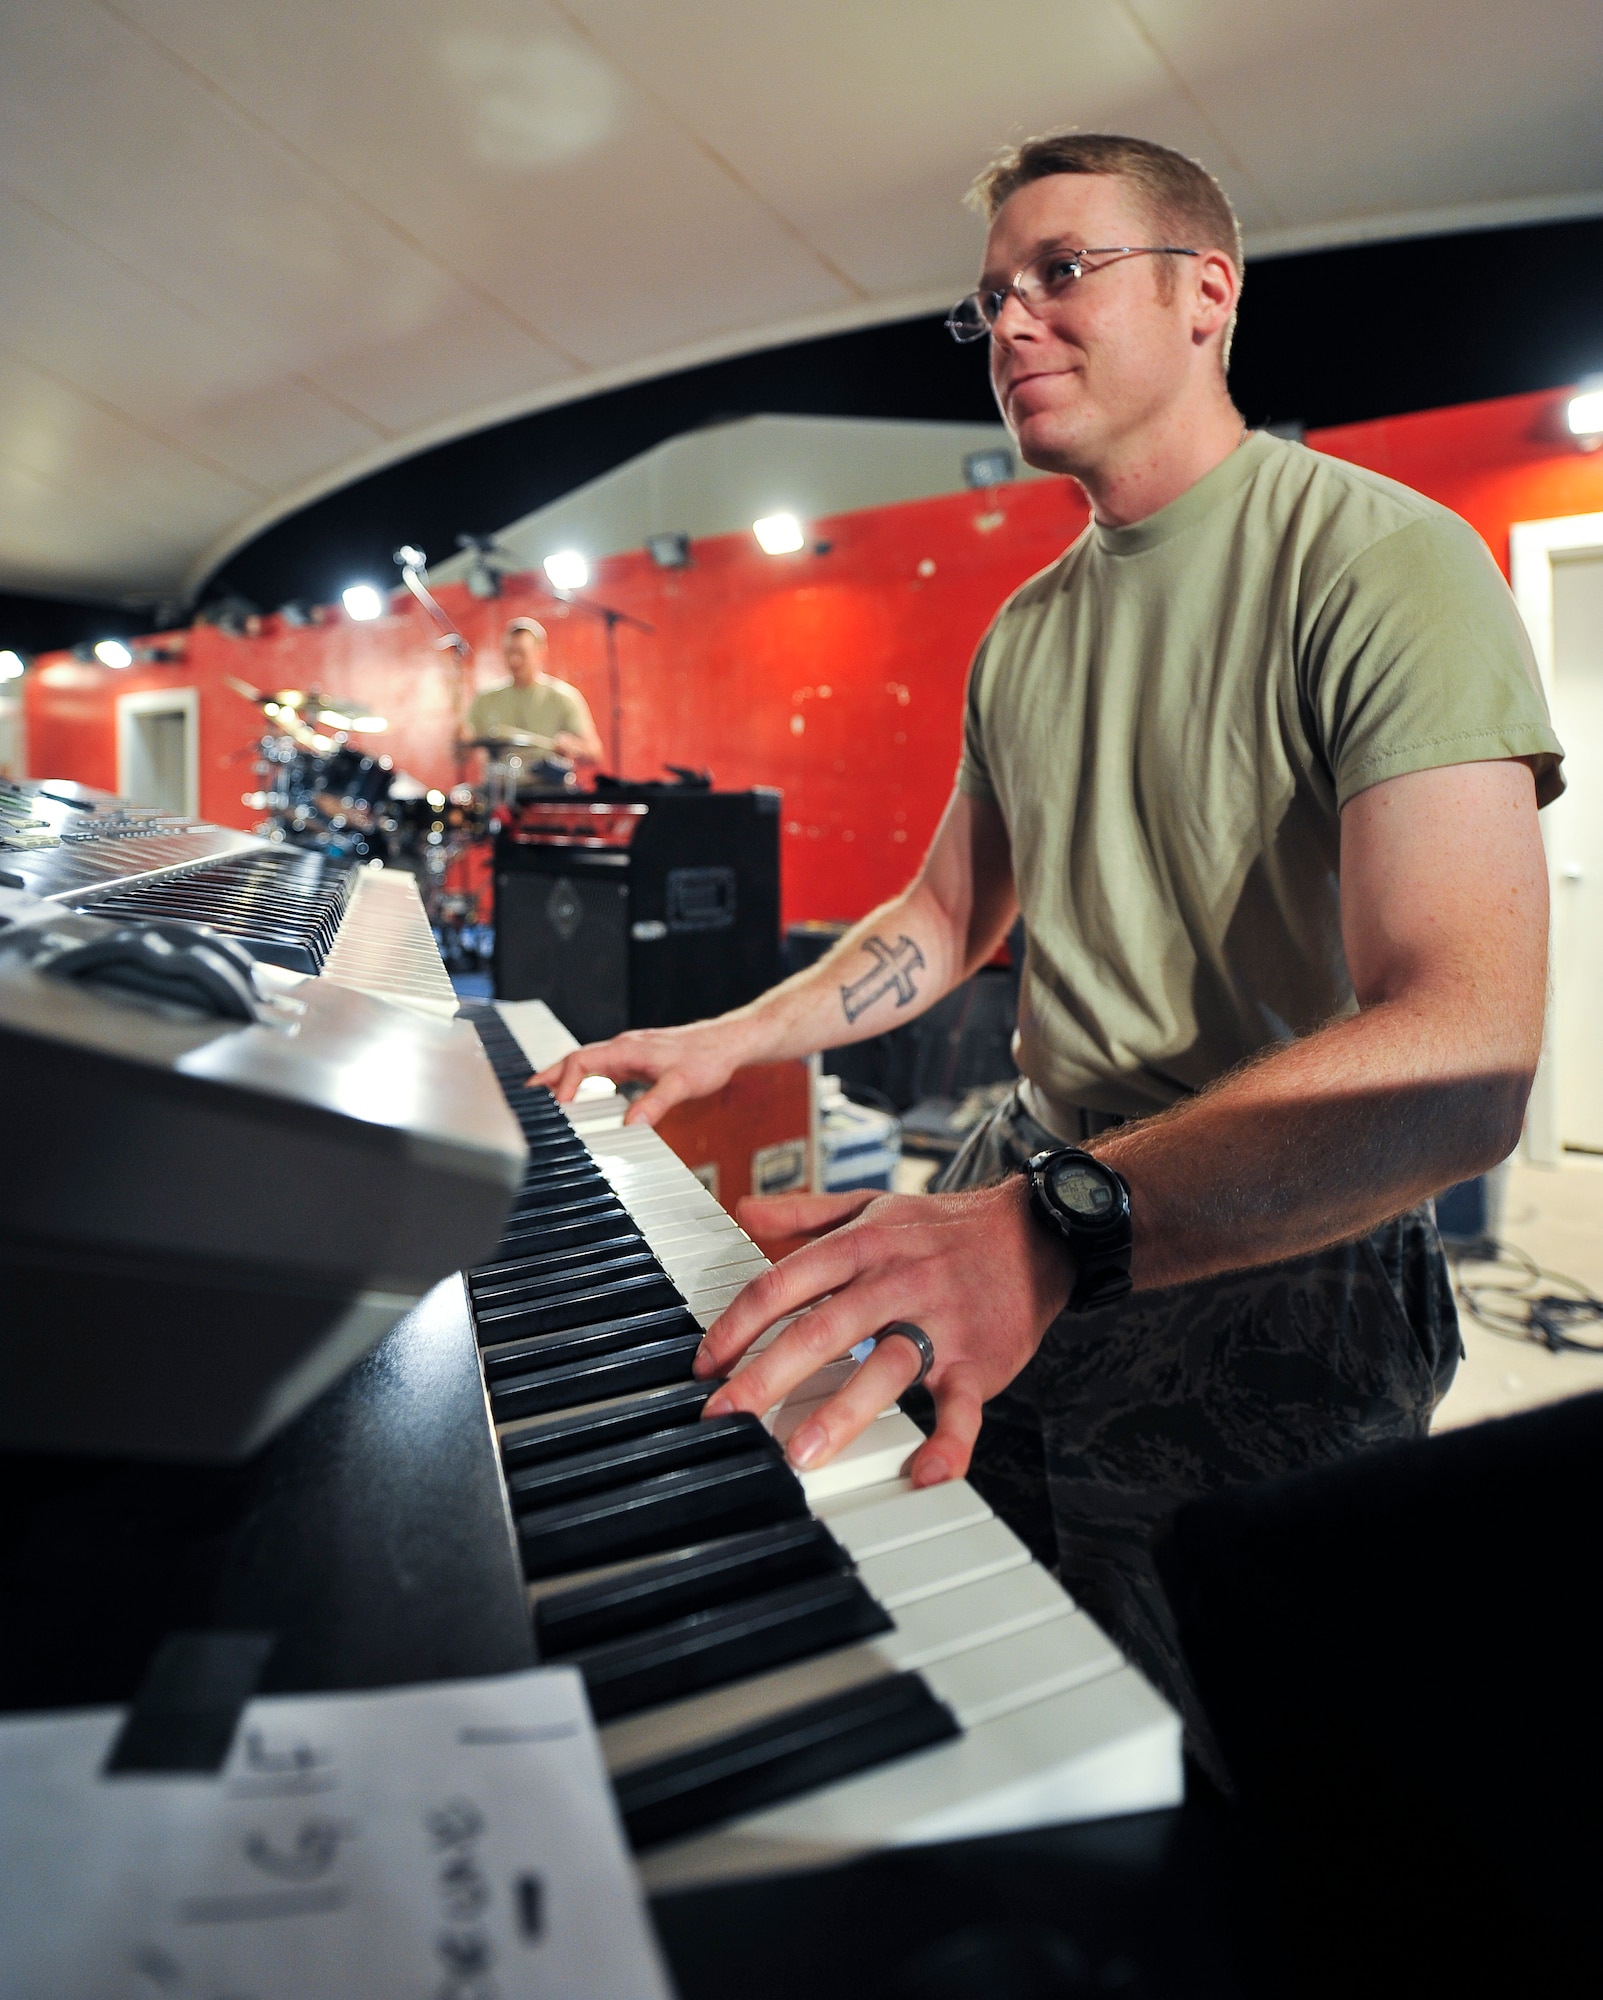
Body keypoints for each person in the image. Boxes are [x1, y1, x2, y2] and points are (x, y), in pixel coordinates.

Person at [534, 133, 1562, 1762]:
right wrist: (735, 1036)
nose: (1009, 323)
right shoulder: (1024, 629)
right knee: (984, 1672)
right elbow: (944, 918)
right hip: (1029, 1185)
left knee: (1205, 1761)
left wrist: (1056, 1223)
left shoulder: (1377, 560)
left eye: (1059, 272)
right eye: (988, 298)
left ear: (1204, 293)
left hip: (1267, 1241)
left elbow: (1460, 1058)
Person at [461, 617, 604, 766]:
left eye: (521, 653)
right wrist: (460, 742)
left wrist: (574, 746)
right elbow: (460, 755)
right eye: (509, 652)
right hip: (499, 787)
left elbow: (595, 753)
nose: (514, 660)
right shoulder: (485, 699)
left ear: (541, 652)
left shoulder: (563, 696)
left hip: (550, 787)